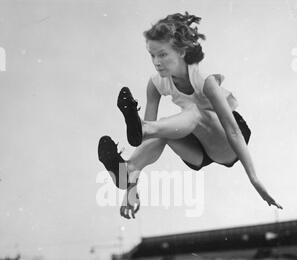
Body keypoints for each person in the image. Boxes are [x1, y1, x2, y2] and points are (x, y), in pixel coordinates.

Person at [98, 12, 283, 219]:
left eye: (163, 55)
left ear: (181, 52)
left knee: (191, 113)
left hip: (226, 143)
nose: (156, 62)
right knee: (159, 130)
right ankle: (128, 170)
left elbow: (233, 131)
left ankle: (146, 128)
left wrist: (255, 180)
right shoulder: (155, 84)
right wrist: (130, 193)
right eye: (152, 55)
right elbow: (143, 141)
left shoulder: (204, 81)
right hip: (196, 148)